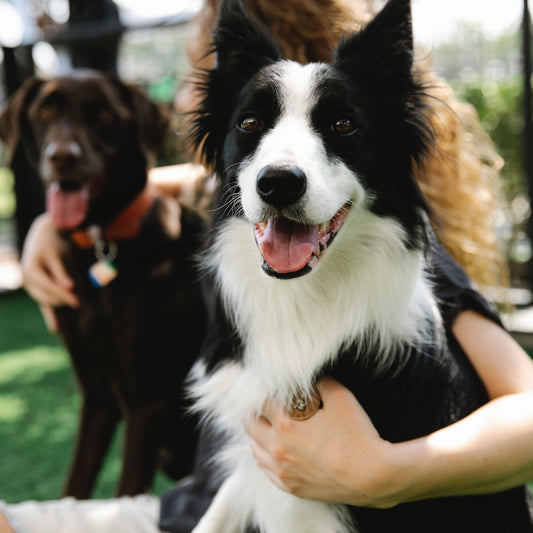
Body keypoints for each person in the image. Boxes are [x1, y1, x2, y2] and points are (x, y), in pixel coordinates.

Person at [2, 0, 533, 532]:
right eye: (251, 120)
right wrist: (56, 222)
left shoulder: (413, 268)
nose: (187, 97)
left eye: (340, 124)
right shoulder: (236, 194)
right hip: (197, 505)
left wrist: (382, 474)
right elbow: (194, 179)